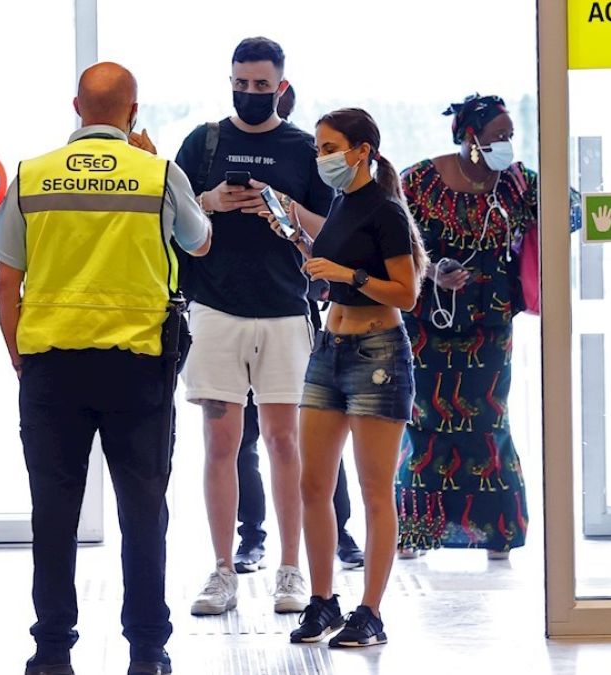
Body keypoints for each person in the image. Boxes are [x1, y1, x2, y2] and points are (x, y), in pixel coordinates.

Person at [0, 62, 211, 675]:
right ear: (133, 113)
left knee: (53, 513)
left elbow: (5, 279)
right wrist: (157, 164)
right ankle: (147, 650)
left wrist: (19, 353)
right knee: (143, 510)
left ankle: (52, 650)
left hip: (52, 369)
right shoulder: (158, 173)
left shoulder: (32, 175)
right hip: (139, 370)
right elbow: (200, 242)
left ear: (76, 107)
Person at [176, 36, 333, 616]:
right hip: (214, 308)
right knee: (220, 442)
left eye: (261, 85)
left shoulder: (305, 148)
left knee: (285, 442)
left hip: (287, 309)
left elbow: (331, 231)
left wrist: (282, 205)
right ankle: (223, 570)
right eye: (240, 84)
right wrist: (210, 200)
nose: (249, 93)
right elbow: (170, 214)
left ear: (280, 87)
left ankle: (291, 568)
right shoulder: (204, 142)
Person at [268, 108, 425, 648]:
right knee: (313, 483)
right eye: (319, 148)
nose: (322, 158)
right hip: (329, 349)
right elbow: (336, 266)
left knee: (374, 489)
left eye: (331, 148)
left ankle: (371, 612)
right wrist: (304, 248)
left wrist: (347, 274)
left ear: (363, 152)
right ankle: (322, 601)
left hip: (377, 353)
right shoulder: (340, 203)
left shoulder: (387, 210)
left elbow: (406, 292)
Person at [395, 94, 534, 560]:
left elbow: (567, 212)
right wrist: (432, 271)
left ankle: (497, 533)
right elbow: (391, 239)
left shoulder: (515, 185)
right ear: (471, 137)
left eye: (511, 135)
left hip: (489, 327)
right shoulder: (418, 182)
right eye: (499, 136)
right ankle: (417, 533)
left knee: (488, 420)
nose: (508, 143)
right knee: (424, 422)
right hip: (428, 325)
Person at [234, 82, 363, 574]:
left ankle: (339, 529)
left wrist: (284, 206)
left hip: (297, 310)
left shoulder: (309, 159)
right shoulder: (218, 146)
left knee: (315, 432)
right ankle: (252, 536)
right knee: (245, 435)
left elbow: (332, 229)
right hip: (237, 310)